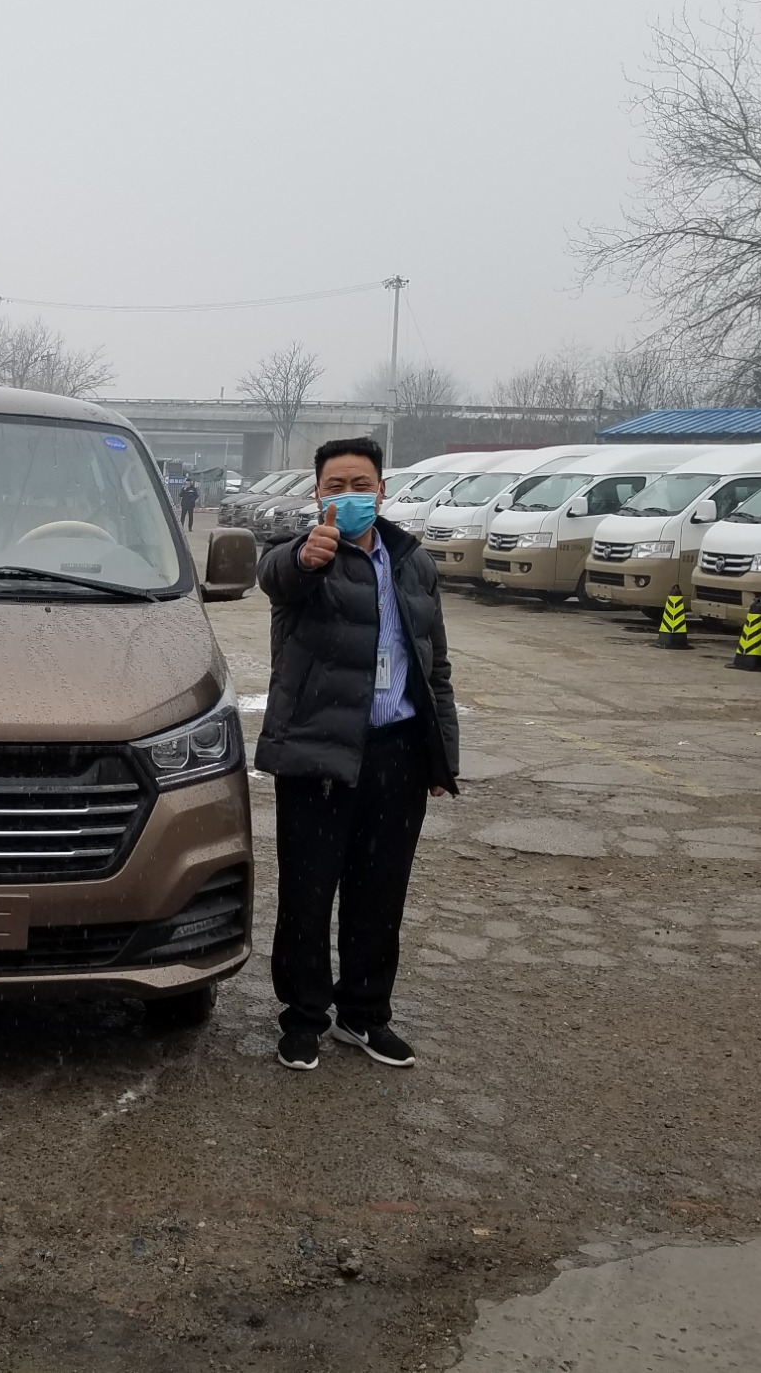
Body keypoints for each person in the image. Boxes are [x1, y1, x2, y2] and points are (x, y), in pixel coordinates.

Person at [254, 437, 459, 1072]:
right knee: (308, 894)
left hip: (397, 752)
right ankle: (303, 1018)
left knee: (381, 893)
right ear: (317, 494)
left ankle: (365, 1014)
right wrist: (306, 557)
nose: (349, 497)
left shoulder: (413, 563)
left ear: (382, 491)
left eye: (361, 485)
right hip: (318, 755)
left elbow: (435, 665)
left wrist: (440, 756)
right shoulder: (304, 555)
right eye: (336, 486)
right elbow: (277, 574)